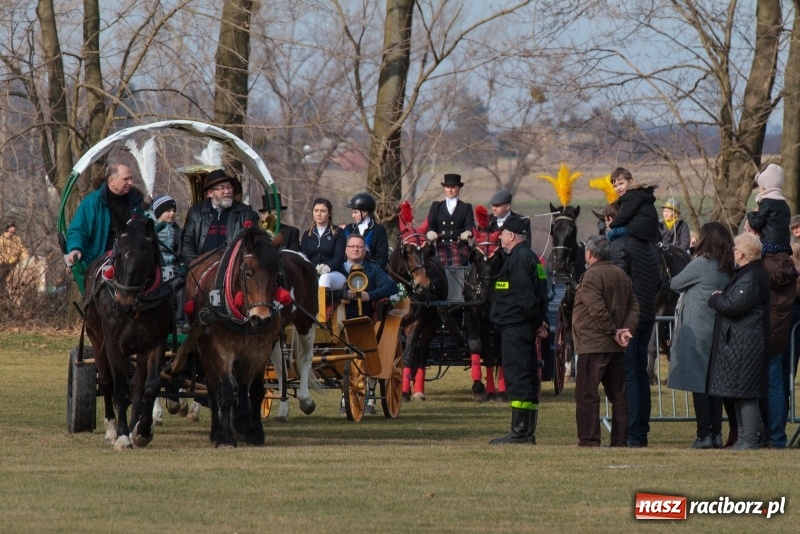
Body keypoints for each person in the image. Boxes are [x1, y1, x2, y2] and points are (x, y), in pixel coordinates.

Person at [666, 222, 735, 449]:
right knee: (714, 385)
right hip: (718, 328)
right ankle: (715, 434)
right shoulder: (728, 266)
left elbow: (675, 283)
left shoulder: (701, 264)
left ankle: (703, 434)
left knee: (699, 385)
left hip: (697, 329)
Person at [572, 235, 639, 447]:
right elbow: (634, 306)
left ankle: (589, 439)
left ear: (590, 254)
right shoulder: (622, 275)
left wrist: (614, 331)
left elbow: (597, 310)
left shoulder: (591, 276)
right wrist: (624, 331)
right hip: (614, 346)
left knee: (587, 394)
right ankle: (620, 440)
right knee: (619, 395)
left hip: (593, 344)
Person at [489, 216, 549, 445]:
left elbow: (526, 296)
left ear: (511, 236)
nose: (500, 237)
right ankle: (526, 431)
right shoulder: (531, 258)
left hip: (517, 327)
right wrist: (540, 322)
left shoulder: (519, 259)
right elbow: (540, 292)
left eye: (502, 233)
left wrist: (536, 323)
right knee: (527, 376)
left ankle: (520, 432)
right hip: (524, 325)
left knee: (518, 377)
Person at [707, 233, 770, 450]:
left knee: (746, 393)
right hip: (740, 341)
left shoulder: (751, 277)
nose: (733, 252)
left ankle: (750, 440)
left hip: (746, 342)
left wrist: (715, 298)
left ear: (741, 253)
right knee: (738, 392)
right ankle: (743, 439)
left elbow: (733, 305)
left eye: (735, 249)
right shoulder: (748, 274)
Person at [605, 200, 659, 447]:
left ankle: (632, 433)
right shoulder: (648, 245)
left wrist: (617, 323)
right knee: (640, 374)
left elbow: (617, 287)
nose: (606, 224)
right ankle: (640, 432)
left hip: (629, 318)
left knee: (629, 375)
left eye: (608, 219)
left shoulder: (619, 244)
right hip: (647, 313)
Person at [336, 233, 398, 416]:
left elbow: (391, 287)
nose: (355, 249)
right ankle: (344, 393)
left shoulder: (374, 269)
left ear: (365, 250)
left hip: (366, 322)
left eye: (359, 247)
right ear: (345, 250)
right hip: (339, 321)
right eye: (352, 246)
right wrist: (342, 295)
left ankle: (369, 394)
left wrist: (370, 295)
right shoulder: (337, 270)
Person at [65, 163, 143, 268]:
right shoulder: (92, 202)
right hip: (99, 260)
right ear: (111, 180)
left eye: (131, 178)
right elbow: (78, 230)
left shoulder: (135, 202)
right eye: (125, 179)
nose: (130, 182)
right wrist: (75, 248)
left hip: (131, 259)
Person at [181, 169, 259, 265]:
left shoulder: (246, 213)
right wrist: (193, 263)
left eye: (229, 187)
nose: (227, 191)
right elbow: (186, 241)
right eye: (221, 188)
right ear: (210, 193)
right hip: (201, 268)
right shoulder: (196, 212)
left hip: (233, 269)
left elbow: (254, 243)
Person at [425, 173, 474, 266]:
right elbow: (431, 224)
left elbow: (470, 226)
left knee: (457, 265)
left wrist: (468, 232)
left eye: (453, 187)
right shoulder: (436, 206)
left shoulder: (466, 207)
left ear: (459, 188)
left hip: (459, 247)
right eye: (447, 187)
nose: (450, 190)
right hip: (440, 247)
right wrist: (430, 232)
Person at [300, 198, 347, 291]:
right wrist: (314, 268)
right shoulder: (306, 234)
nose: (319, 214)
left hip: (334, 273)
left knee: (324, 278)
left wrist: (328, 267)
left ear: (329, 213)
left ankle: (321, 305)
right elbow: (304, 257)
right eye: (316, 210)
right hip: (312, 272)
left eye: (323, 211)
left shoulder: (338, 232)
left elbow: (339, 256)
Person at [746, 163, 792, 255]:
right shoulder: (784, 205)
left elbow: (755, 224)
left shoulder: (766, 203)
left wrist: (752, 213)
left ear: (764, 187)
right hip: (784, 245)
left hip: (769, 245)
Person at [604, 167, 660, 243]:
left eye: (621, 184)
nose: (618, 188)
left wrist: (610, 226)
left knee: (610, 234)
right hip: (649, 231)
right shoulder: (639, 195)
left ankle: (614, 251)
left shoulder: (631, 196)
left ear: (631, 182)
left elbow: (623, 217)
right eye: (615, 186)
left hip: (638, 229)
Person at [343, 192, 389, 270]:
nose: (353, 216)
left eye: (355, 212)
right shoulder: (349, 228)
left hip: (371, 269)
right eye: (352, 212)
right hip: (349, 269)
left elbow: (382, 256)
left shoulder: (378, 230)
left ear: (365, 212)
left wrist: (375, 272)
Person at [0, 222, 29, 295]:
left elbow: (23, 250)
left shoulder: (17, 240)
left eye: (14, 228)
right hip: (3, 264)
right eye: (11, 228)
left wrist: (27, 258)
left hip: (15, 263)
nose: (12, 230)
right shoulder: (1, 239)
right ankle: (3, 292)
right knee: (3, 275)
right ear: (7, 229)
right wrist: (5, 259)